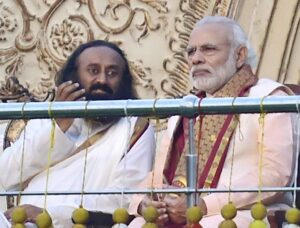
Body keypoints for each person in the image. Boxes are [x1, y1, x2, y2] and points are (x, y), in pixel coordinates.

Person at [129, 16, 295, 227]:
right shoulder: (183, 110)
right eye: (191, 52)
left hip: (239, 213)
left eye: (208, 49)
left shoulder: (269, 98)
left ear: (239, 55)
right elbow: (157, 177)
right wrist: (143, 203)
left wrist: (205, 206)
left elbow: (275, 175)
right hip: (176, 213)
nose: (196, 59)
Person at [0, 40, 155, 227]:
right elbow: (5, 176)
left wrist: (51, 214)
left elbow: (124, 197)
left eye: (112, 73)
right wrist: (58, 126)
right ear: (74, 76)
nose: (102, 80)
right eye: (93, 71)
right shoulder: (44, 117)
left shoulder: (134, 127)